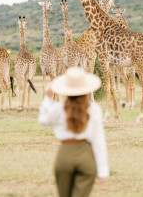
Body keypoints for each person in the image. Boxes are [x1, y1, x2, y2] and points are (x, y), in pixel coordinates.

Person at [38, 67, 109, 197]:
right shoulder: (94, 109)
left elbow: (43, 120)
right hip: (86, 155)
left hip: (64, 156)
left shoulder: (59, 108)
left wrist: (48, 98)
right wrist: (103, 170)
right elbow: (98, 139)